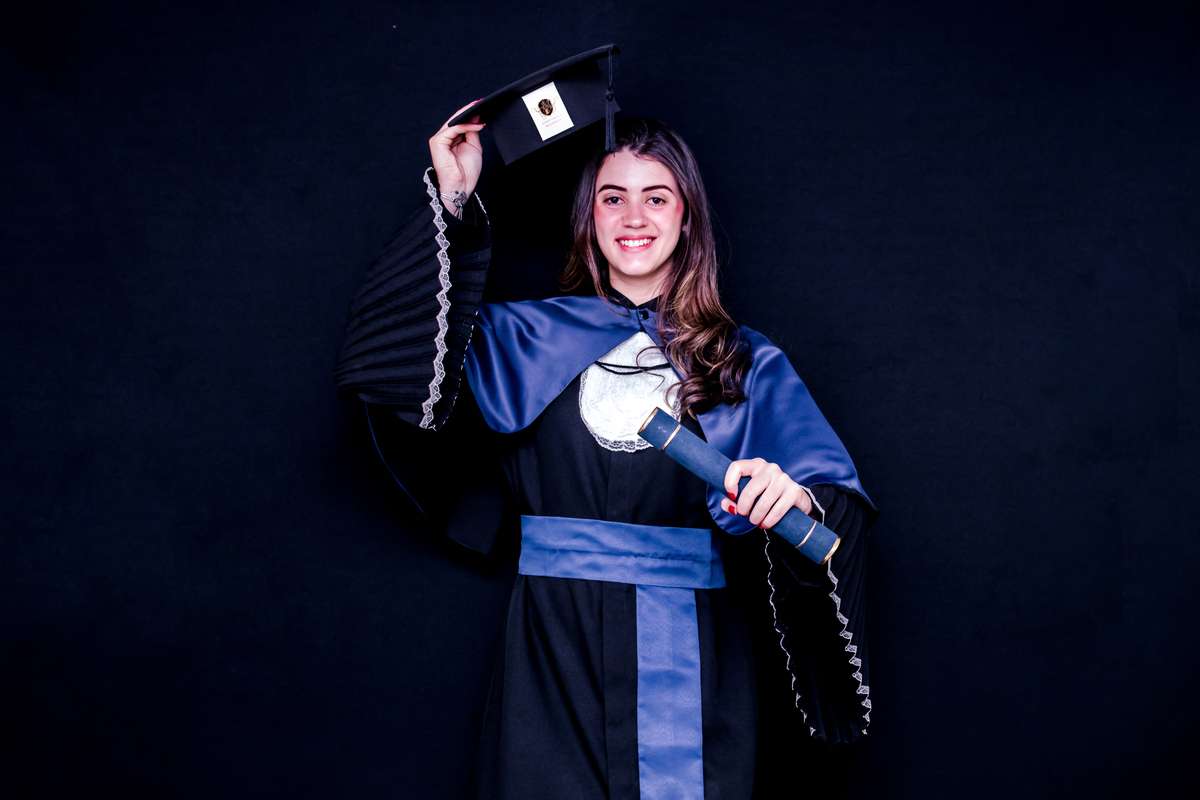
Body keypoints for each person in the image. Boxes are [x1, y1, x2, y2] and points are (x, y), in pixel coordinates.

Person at [335, 102, 875, 800]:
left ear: (688, 218)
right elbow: (395, 362)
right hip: (550, 649)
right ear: (588, 216)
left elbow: (832, 505)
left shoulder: (744, 363)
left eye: (657, 198)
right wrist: (453, 201)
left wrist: (794, 497)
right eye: (612, 198)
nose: (634, 217)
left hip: (692, 655)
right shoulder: (520, 339)